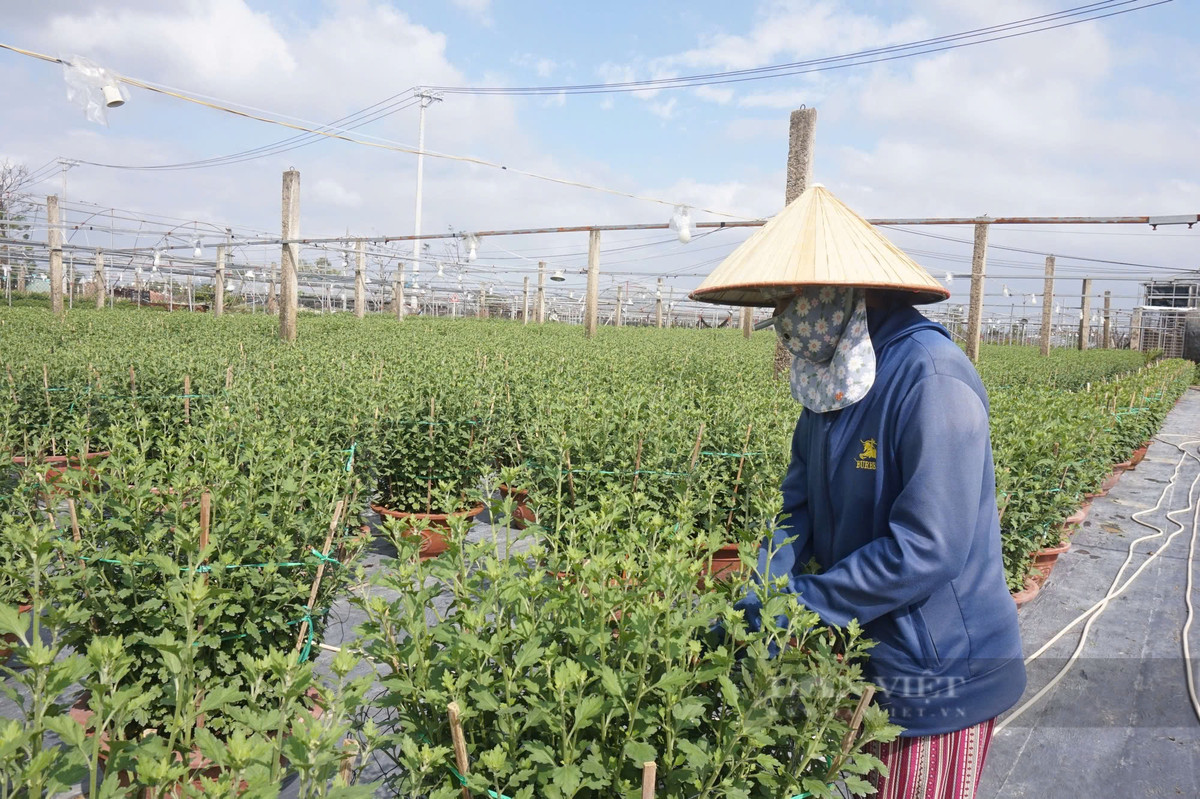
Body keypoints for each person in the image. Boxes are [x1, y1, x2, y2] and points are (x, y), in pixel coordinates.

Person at [740, 285, 1026, 799]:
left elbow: (929, 545)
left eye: (791, 298)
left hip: (939, 672)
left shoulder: (929, 375)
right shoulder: (834, 376)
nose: (780, 316)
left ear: (846, 291)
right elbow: (795, 507)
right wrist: (761, 589)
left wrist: (801, 604)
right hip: (863, 654)